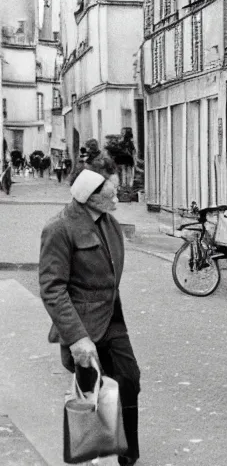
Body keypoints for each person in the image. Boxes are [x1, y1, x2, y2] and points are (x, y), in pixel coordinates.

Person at [39, 157, 141, 465]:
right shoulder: (59, 229)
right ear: (92, 196)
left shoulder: (109, 222)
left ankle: (126, 452)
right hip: (82, 325)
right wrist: (77, 337)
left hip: (112, 316)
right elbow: (52, 289)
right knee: (89, 390)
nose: (116, 192)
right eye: (110, 189)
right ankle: (92, 450)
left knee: (129, 379)